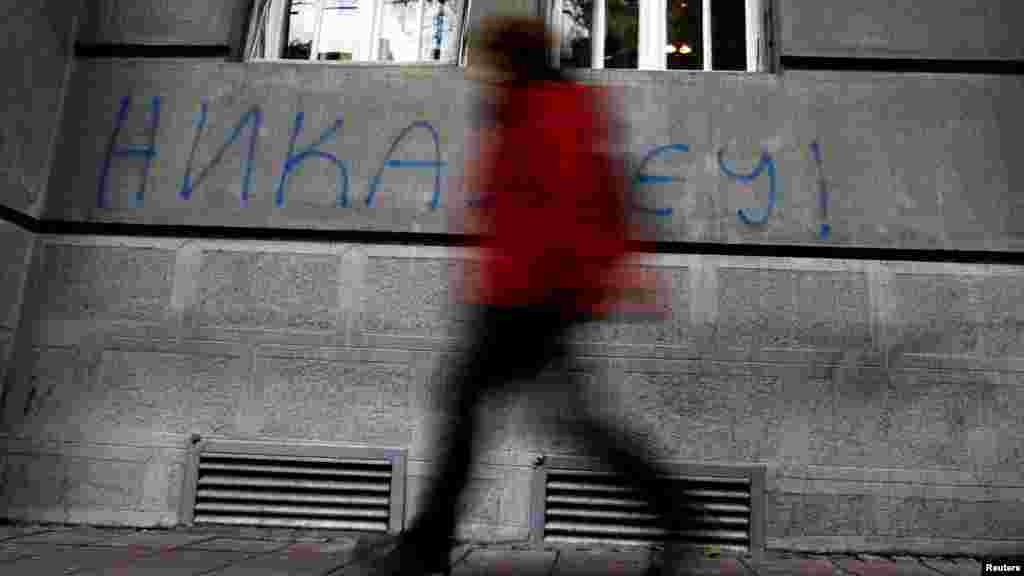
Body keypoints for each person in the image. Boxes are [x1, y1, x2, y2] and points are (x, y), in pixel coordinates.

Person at [366, 15, 697, 576]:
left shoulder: (548, 109)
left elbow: (568, 209)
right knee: (568, 422)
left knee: (467, 408)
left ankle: (424, 550)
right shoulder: (529, 107)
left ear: (511, 58)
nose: (479, 72)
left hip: (530, 299)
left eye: (487, 60)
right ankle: (673, 511)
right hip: (528, 295)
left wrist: (530, 292)